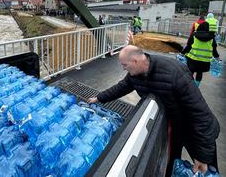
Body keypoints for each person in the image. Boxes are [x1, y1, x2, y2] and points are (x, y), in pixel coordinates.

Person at [88, 45, 220, 176]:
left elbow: (200, 114)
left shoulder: (175, 73)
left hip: (194, 131)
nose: (123, 69)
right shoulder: (134, 74)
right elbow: (121, 88)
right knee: (173, 164)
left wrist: (203, 155)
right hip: (174, 126)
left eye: (125, 65)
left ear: (135, 61)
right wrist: (99, 98)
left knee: (206, 170)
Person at [181, 22, 219, 87]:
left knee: (190, 72)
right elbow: (214, 49)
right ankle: (196, 87)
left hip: (193, 59)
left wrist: (182, 53)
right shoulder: (212, 38)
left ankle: (189, 86)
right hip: (204, 62)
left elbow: (188, 46)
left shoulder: (194, 35)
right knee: (199, 73)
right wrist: (217, 57)